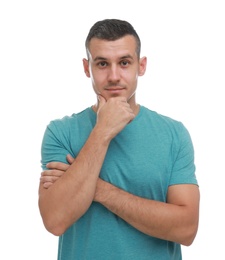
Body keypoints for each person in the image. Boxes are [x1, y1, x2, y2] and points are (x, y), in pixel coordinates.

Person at [38, 18, 200, 260]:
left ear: (141, 66)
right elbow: (55, 220)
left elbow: (186, 229)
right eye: (102, 63)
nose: (114, 76)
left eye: (124, 62)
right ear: (86, 68)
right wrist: (102, 131)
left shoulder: (173, 134)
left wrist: (97, 189)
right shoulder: (61, 132)